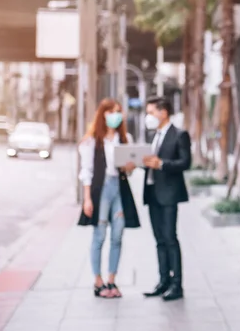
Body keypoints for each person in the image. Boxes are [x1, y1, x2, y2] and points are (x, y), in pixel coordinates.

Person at [78, 98, 140, 298]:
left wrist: (130, 167)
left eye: (118, 112)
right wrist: (87, 199)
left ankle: (112, 280)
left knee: (117, 234)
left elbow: (128, 169)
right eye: (111, 111)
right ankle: (98, 281)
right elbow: (86, 171)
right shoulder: (91, 141)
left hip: (119, 188)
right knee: (100, 234)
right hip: (100, 190)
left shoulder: (124, 139)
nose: (115, 116)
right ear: (102, 114)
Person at [142, 96, 191, 301]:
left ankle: (177, 285)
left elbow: (185, 162)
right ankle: (163, 281)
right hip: (152, 192)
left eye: (151, 112)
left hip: (169, 193)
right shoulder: (154, 135)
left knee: (170, 238)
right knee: (159, 240)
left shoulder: (180, 134)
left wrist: (161, 164)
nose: (148, 117)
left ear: (163, 112)